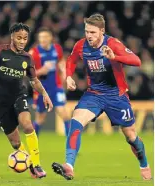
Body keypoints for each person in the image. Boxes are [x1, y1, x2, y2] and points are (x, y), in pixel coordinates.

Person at [52, 14, 151, 181]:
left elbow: (136, 61)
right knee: (76, 122)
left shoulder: (112, 44)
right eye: (86, 31)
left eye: (92, 32)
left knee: (131, 136)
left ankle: (144, 164)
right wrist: (68, 76)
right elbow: (71, 60)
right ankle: (69, 166)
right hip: (94, 94)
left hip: (116, 96)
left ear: (102, 31)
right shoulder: (81, 45)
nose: (89, 35)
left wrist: (114, 57)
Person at [0, 23, 53, 179]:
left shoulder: (27, 57)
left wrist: (45, 94)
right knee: (15, 143)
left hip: (19, 95)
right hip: (1, 101)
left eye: (25, 38)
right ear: (12, 36)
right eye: (19, 38)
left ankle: (36, 165)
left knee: (27, 124)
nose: (22, 41)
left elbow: (34, 80)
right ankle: (29, 162)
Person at [29, 27, 70, 137]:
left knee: (63, 113)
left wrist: (64, 71)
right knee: (40, 118)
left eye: (46, 36)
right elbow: (26, 73)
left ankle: (71, 145)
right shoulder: (33, 53)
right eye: (41, 37)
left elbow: (61, 60)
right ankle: (33, 143)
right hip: (41, 89)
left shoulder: (57, 48)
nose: (44, 39)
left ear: (51, 38)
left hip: (56, 86)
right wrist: (40, 71)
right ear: (38, 38)